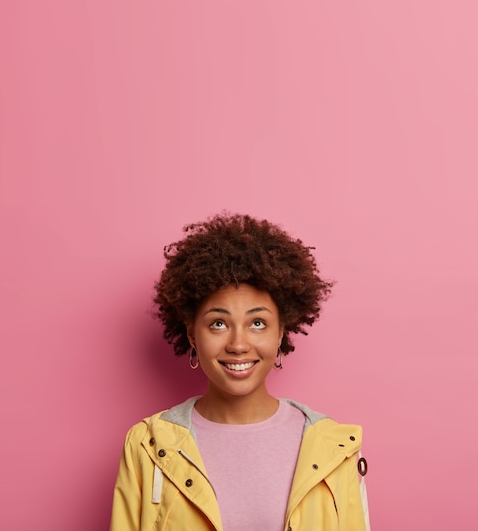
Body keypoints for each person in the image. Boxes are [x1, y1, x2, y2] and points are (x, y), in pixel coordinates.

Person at [109, 213, 370, 531]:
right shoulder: (147, 445)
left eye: (257, 323)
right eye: (218, 323)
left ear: (280, 332)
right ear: (192, 334)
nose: (238, 344)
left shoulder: (334, 447)